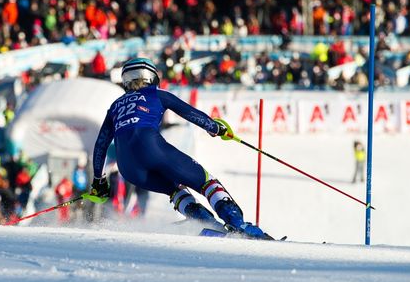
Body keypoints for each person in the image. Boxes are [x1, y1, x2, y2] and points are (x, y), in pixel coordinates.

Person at [84, 58, 271, 239]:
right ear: (151, 77)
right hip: (152, 149)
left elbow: (101, 144)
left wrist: (98, 181)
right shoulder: (156, 94)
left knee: (174, 190)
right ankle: (240, 226)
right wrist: (215, 128)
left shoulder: (115, 106)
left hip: (129, 169)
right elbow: (189, 113)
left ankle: (209, 225)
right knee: (207, 182)